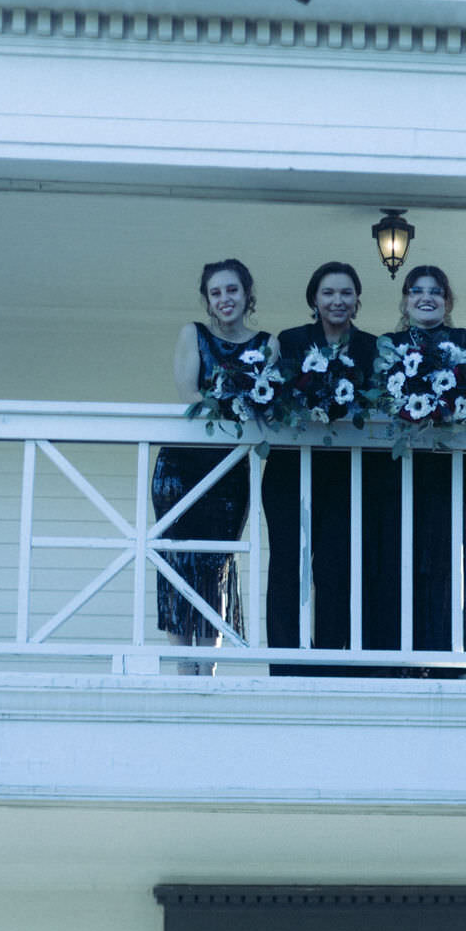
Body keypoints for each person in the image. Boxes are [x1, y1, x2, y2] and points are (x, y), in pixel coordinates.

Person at [151, 258, 275, 675]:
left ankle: (209, 669)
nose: (225, 299)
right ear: (207, 300)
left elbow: (269, 401)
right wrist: (232, 399)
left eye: (232, 290)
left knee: (217, 564)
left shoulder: (267, 345)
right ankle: (185, 669)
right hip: (182, 465)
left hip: (229, 467)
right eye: (216, 292)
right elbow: (191, 394)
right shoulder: (194, 334)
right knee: (179, 562)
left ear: (247, 294)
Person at [260, 261, 380, 674]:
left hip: (347, 474)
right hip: (289, 470)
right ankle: (287, 662)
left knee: (336, 566)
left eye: (346, 293)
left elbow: (379, 403)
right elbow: (272, 398)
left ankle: (331, 655)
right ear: (314, 298)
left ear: (357, 300)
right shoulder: (291, 341)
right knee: (287, 564)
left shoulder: (372, 348)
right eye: (328, 293)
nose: (337, 301)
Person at [378, 266, 466, 673]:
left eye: (436, 292)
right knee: (399, 554)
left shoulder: (465, 339)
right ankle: (398, 658)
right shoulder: (389, 344)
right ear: (405, 300)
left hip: (450, 469)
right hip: (400, 469)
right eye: (417, 291)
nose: (427, 298)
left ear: (448, 301)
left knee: (447, 557)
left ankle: (445, 658)